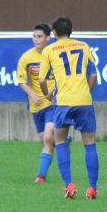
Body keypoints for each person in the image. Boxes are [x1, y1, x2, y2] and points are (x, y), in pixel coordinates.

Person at [39, 16, 99, 199]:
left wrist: (47, 95)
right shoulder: (84, 46)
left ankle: (69, 185)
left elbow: (41, 80)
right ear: (71, 31)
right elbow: (93, 75)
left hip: (63, 101)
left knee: (60, 141)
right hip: (84, 100)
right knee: (90, 143)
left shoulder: (49, 50)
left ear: (54, 32)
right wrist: (85, 92)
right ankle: (92, 188)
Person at [18, 23, 59, 182]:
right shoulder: (26, 58)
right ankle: (62, 141)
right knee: (46, 141)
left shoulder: (55, 55)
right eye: (34, 36)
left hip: (53, 103)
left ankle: (41, 176)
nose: (36, 39)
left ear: (48, 37)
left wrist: (53, 92)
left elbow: (63, 77)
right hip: (36, 106)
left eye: (40, 36)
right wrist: (33, 94)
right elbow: (22, 81)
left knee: (48, 137)